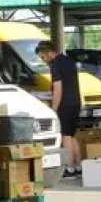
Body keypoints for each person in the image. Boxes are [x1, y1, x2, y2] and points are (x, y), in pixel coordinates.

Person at [35, 40, 82, 178]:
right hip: (76, 102)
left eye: (43, 57)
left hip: (64, 104)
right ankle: (78, 166)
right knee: (72, 135)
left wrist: (53, 109)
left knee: (65, 136)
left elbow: (58, 88)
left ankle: (69, 167)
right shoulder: (68, 60)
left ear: (49, 53)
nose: (43, 60)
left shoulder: (55, 65)